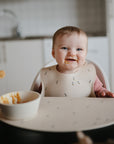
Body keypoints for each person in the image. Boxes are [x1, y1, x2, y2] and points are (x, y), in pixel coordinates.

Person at [31, 26, 114, 144]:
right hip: (54, 123)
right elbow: (39, 97)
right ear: (53, 53)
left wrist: (102, 93)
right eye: (64, 48)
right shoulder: (46, 75)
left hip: (86, 120)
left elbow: (98, 89)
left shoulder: (89, 73)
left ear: (85, 53)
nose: (72, 53)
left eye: (79, 49)